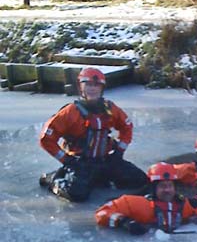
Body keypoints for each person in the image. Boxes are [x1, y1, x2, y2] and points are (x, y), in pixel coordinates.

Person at [39, 67, 148, 202]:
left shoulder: (110, 109)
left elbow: (127, 127)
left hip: (106, 160)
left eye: (96, 85)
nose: (92, 88)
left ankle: (100, 178)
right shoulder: (70, 112)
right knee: (77, 194)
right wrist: (66, 160)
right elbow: (46, 139)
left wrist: (119, 152)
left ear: (102, 88)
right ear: (81, 87)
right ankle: (53, 179)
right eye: (88, 85)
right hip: (80, 163)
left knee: (140, 180)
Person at [95, 162, 197, 235]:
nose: (167, 190)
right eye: (162, 186)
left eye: (170, 186)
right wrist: (123, 221)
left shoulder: (186, 206)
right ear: (153, 188)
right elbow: (101, 213)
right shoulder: (136, 204)